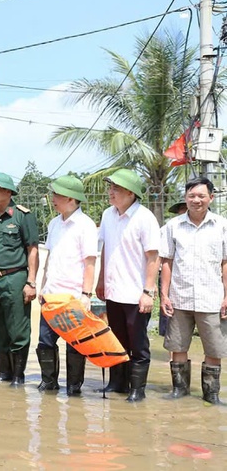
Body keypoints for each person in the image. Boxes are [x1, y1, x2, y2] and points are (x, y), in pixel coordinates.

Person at [159, 177, 227, 404]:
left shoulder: (222, 225)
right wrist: (164, 295)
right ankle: (180, 390)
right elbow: (167, 261)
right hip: (180, 296)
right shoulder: (173, 226)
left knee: (214, 348)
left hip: (212, 298)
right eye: (191, 196)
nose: (196, 200)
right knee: (178, 346)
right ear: (185, 198)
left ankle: (211, 394)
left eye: (201, 196)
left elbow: (225, 263)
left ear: (211, 198)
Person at [96, 169, 160, 402]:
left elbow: (153, 257)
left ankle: (137, 389)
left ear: (131, 193)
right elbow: (105, 249)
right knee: (117, 341)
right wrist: (101, 280)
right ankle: (117, 383)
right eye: (110, 188)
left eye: (116, 189)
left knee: (138, 344)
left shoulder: (145, 218)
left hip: (135, 294)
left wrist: (148, 292)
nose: (111, 193)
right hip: (113, 292)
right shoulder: (107, 215)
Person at [35, 176, 98, 396]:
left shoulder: (86, 225)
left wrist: (86, 294)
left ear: (70, 198)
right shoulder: (54, 224)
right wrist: (42, 287)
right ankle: (49, 382)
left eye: (56, 195)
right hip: (51, 295)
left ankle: (74, 386)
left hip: (73, 297)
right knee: (45, 341)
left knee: (75, 344)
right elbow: (50, 257)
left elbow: (90, 262)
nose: (52, 199)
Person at [0, 172, 39, 387]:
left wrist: (31, 282)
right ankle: (3, 372)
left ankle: (18, 375)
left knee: (18, 329)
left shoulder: (23, 216)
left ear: (8, 191)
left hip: (15, 278)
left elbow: (32, 249)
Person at [158, 200, 188, 338]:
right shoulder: (168, 229)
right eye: (182, 209)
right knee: (169, 315)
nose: (185, 212)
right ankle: (171, 353)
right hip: (171, 277)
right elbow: (161, 256)